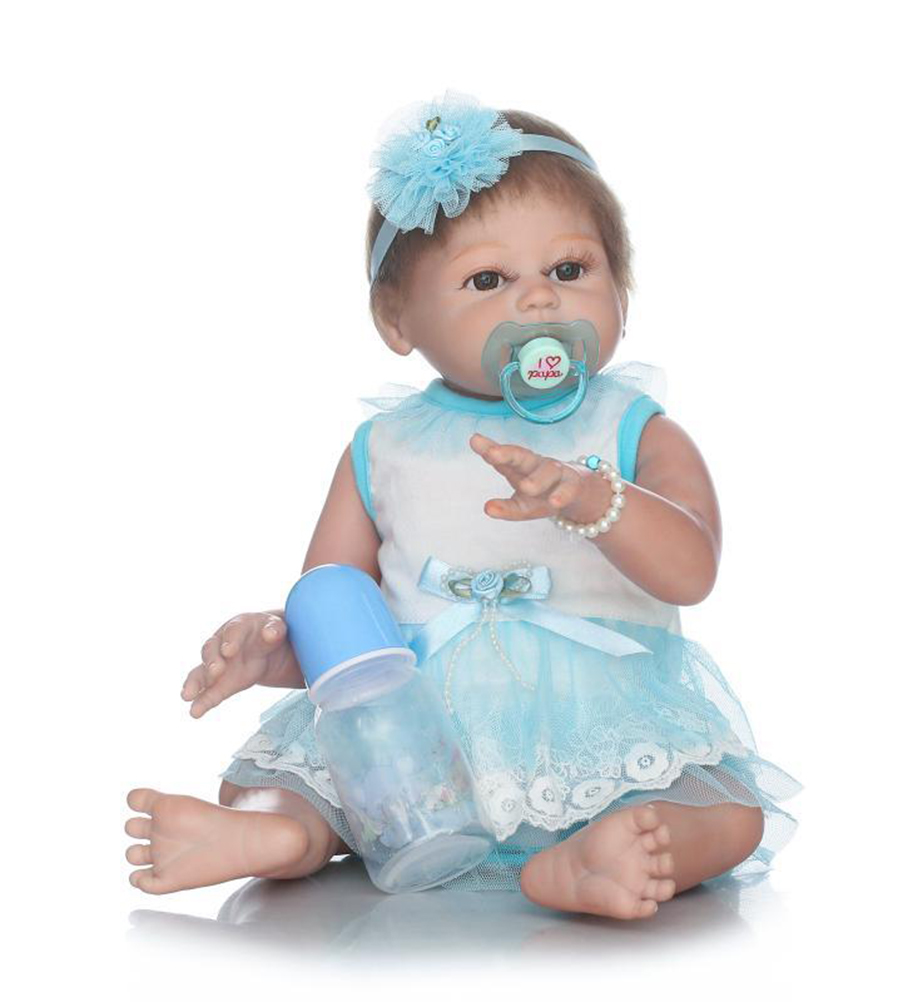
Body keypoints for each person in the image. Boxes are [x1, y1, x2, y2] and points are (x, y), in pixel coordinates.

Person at [126, 91, 801, 921]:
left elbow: (692, 570)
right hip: (416, 755)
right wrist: (274, 650)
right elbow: (337, 613)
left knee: (730, 812)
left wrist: (599, 500)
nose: (540, 302)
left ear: (621, 289)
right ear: (396, 318)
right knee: (295, 780)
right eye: (488, 279)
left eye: (570, 270)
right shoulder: (384, 449)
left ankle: (606, 851)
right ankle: (274, 832)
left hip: (599, 729)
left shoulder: (635, 430)